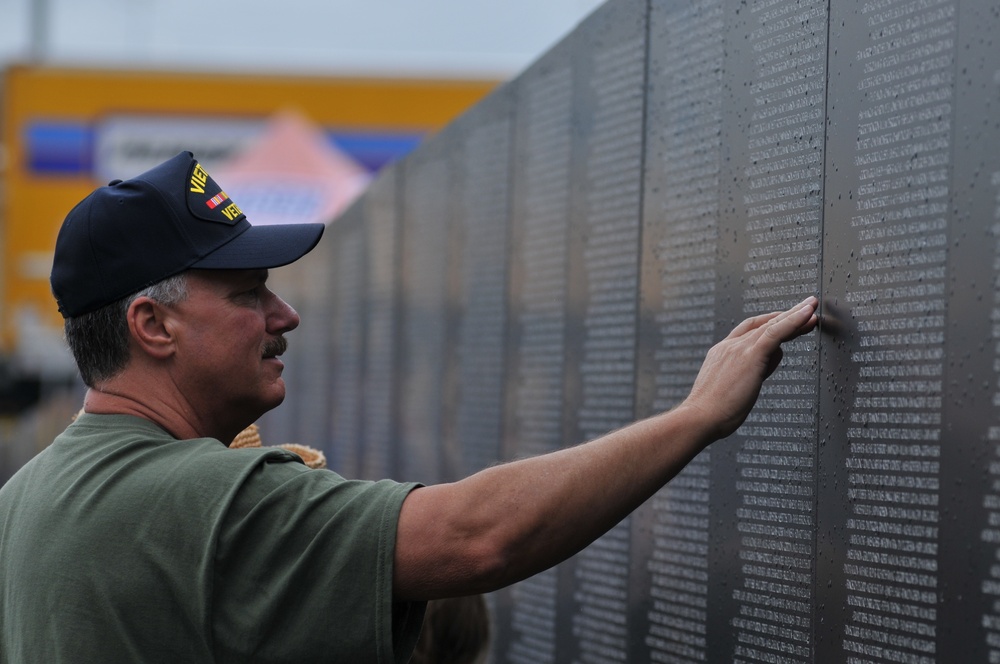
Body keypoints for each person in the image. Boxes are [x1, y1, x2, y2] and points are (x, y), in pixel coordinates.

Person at [0, 151, 819, 663]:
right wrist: (698, 414)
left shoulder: (22, 500)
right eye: (250, 295)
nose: (284, 317)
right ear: (153, 324)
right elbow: (478, 537)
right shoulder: (199, 497)